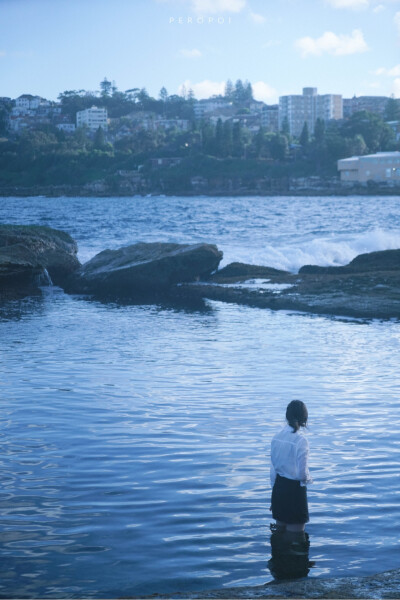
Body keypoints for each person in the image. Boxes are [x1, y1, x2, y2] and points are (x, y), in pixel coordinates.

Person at [270, 400, 312, 534]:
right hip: (294, 491)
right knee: (296, 539)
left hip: (279, 489)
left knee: (279, 534)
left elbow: (273, 471)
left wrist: (274, 497)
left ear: (287, 417)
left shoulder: (276, 437)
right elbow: (302, 475)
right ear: (304, 419)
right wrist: (309, 479)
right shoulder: (301, 440)